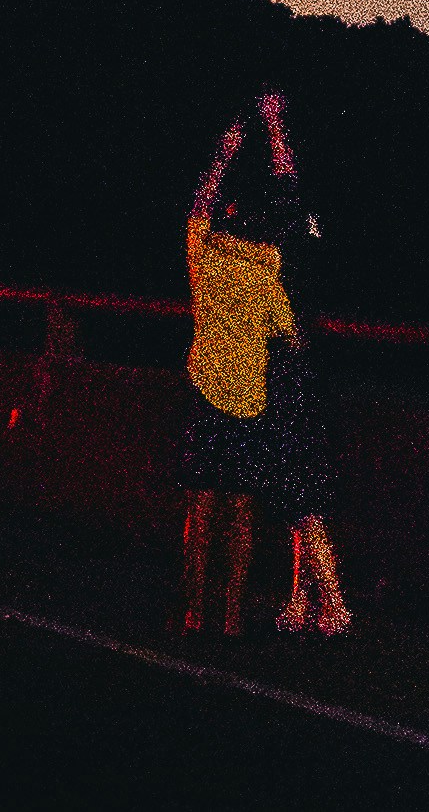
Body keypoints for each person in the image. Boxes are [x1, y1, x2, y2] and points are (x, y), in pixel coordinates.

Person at [178, 115, 293, 633]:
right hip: (250, 397)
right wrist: (275, 130)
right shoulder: (266, 266)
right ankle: (230, 616)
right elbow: (287, 203)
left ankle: (194, 610)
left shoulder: (205, 256)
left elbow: (197, 206)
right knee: (242, 511)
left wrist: (224, 153)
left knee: (201, 508)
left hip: (205, 388)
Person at [252, 87, 353, 637]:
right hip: (304, 366)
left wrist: (273, 127)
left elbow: (285, 181)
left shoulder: (286, 245)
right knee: (297, 495)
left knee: (302, 493)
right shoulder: (309, 241)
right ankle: (301, 601)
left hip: (293, 368)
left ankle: (334, 603)